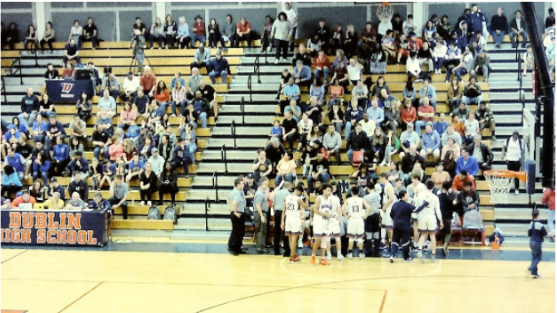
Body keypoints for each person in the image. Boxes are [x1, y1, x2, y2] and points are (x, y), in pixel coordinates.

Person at [389, 189, 428, 262]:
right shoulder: (407, 205)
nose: (408, 196)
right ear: (403, 196)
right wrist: (424, 204)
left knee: (395, 241)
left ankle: (392, 255)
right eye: (407, 195)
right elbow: (417, 210)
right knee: (405, 242)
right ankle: (406, 258)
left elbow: (391, 214)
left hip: (396, 224)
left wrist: (396, 219)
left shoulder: (395, 204)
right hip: (405, 225)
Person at [415, 180, 443, 262]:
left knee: (423, 234)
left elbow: (416, 206)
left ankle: (419, 250)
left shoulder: (420, 195)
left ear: (426, 186)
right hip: (431, 216)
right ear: (433, 187)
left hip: (422, 216)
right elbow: (437, 210)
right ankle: (433, 255)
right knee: (432, 235)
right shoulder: (435, 197)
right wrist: (441, 220)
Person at [342, 186, 372, 259]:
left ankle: (350, 253)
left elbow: (342, 208)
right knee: (360, 238)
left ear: (351, 192)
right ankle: (361, 253)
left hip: (352, 219)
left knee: (351, 238)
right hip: (359, 219)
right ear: (358, 192)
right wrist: (365, 216)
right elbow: (369, 208)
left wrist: (346, 216)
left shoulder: (348, 200)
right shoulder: (361, 199)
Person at [281, 184, 307, 263]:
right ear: (299, 191)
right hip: (295, 218)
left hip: (288, 218)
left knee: (290, 238)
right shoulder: (298, 199)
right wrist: (307, 197)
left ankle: (292, 255)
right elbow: (305, 206)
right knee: (294, 239)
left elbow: (283, 210)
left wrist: (282, 221)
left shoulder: (287, 197)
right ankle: (292, 257)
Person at [228, 178, 246, 256]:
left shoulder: (234, 191)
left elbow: (228, 199)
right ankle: (235, 248)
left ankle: (236, 247)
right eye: (242, 184)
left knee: (237, 231)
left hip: (235, 212)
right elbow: (235, 202)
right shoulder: (237, 193)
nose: (244, 185)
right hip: (237, 213)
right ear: (238, 184)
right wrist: (235, 212)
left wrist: (230, 208)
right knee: (239, 232)